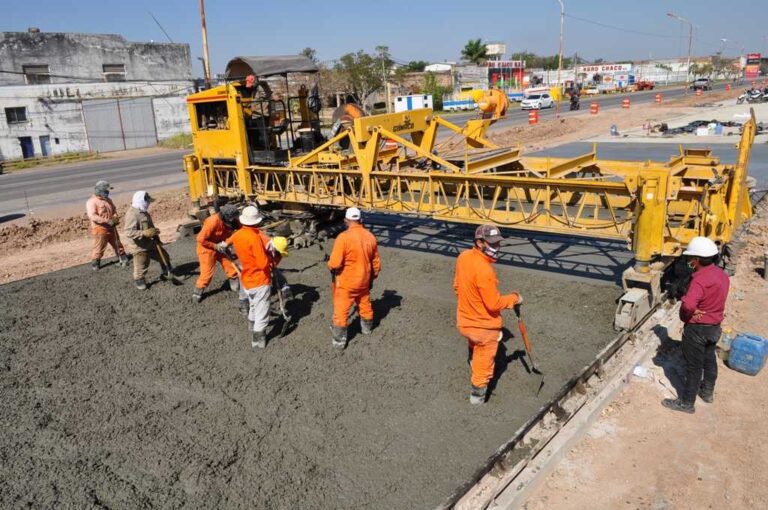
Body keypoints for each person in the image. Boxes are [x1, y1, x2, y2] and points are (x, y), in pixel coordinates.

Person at [453, 225, 522, 405]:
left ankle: (472, 362)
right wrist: (514, 299)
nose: (496, 247)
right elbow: (494, 304)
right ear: (479, 242)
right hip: (484, 328)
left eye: (498, 243)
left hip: (464, 322)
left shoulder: (463, 258)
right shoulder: (485, 270)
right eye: (492, 243)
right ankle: (477, 397)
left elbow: (457, 287)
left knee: (473, 345)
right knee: (484, 364)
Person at [662, 237, 729, 414]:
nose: (689, 261)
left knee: (693, 367)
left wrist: (688, 315)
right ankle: (707, 392)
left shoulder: (699, 280)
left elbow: (688, 305)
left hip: (697, 329)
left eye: (690, 258)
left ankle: (686, 403)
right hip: (714, 326)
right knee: (709, 359)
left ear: (696, 260)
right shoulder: (721, 275)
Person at [327, 207, 381, 349]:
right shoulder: (370, 236)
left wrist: (330, 265)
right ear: (360, 220)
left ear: (346, 221)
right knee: (365, 304)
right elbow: (376, 263)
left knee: (341, 311)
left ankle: (339, 341)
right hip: (364, 281)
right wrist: (372, 277)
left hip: (346, 282)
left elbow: (335, 263)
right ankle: (367, 329)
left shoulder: (343, 238)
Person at [221, 206, 273, 349]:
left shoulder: (238, 234)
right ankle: (258, 341)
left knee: (254, 305)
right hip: (259, 279)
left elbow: (225, 244)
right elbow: (263, 263)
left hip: (246, 278)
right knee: (262, 310)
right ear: (257, 222)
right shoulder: (254, 238)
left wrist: (225, 249)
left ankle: (251, 325)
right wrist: (272, 256)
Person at [123, 190, 173, 290]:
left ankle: (168, 273)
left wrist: (156, 236)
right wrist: (143, 233)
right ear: (141, 201)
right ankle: (139, 282)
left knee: (164, 256)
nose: (149, 203)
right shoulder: (132, 214)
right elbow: (128, 232)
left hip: (150, 243)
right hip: (139, 247)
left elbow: (150, 226)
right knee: (141, 266)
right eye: (147, 202)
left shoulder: (144, 212)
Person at [193, 204, 240, 303]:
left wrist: (226, 244)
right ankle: (197, 292)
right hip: (207, 248)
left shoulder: (233, 219)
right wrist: (215, 246)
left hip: (222, 245)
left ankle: (235, 285)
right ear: (224, 217)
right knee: (206, 273)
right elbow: (200, 239)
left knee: (231, 266)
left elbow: (241, 229)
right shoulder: (212, 222)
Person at [85, 180, 127, 270]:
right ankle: (95, 264)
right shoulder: (92, 202)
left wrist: (115, 217)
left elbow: (114, 210)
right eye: (106, 190)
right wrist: (107, 221)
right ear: (99, 191)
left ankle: (123, 259)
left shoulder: (108, 200)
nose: (108, 192)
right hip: (100, 229)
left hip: (111, 227)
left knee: (118, 244)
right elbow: (92, 216)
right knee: (99, 248)